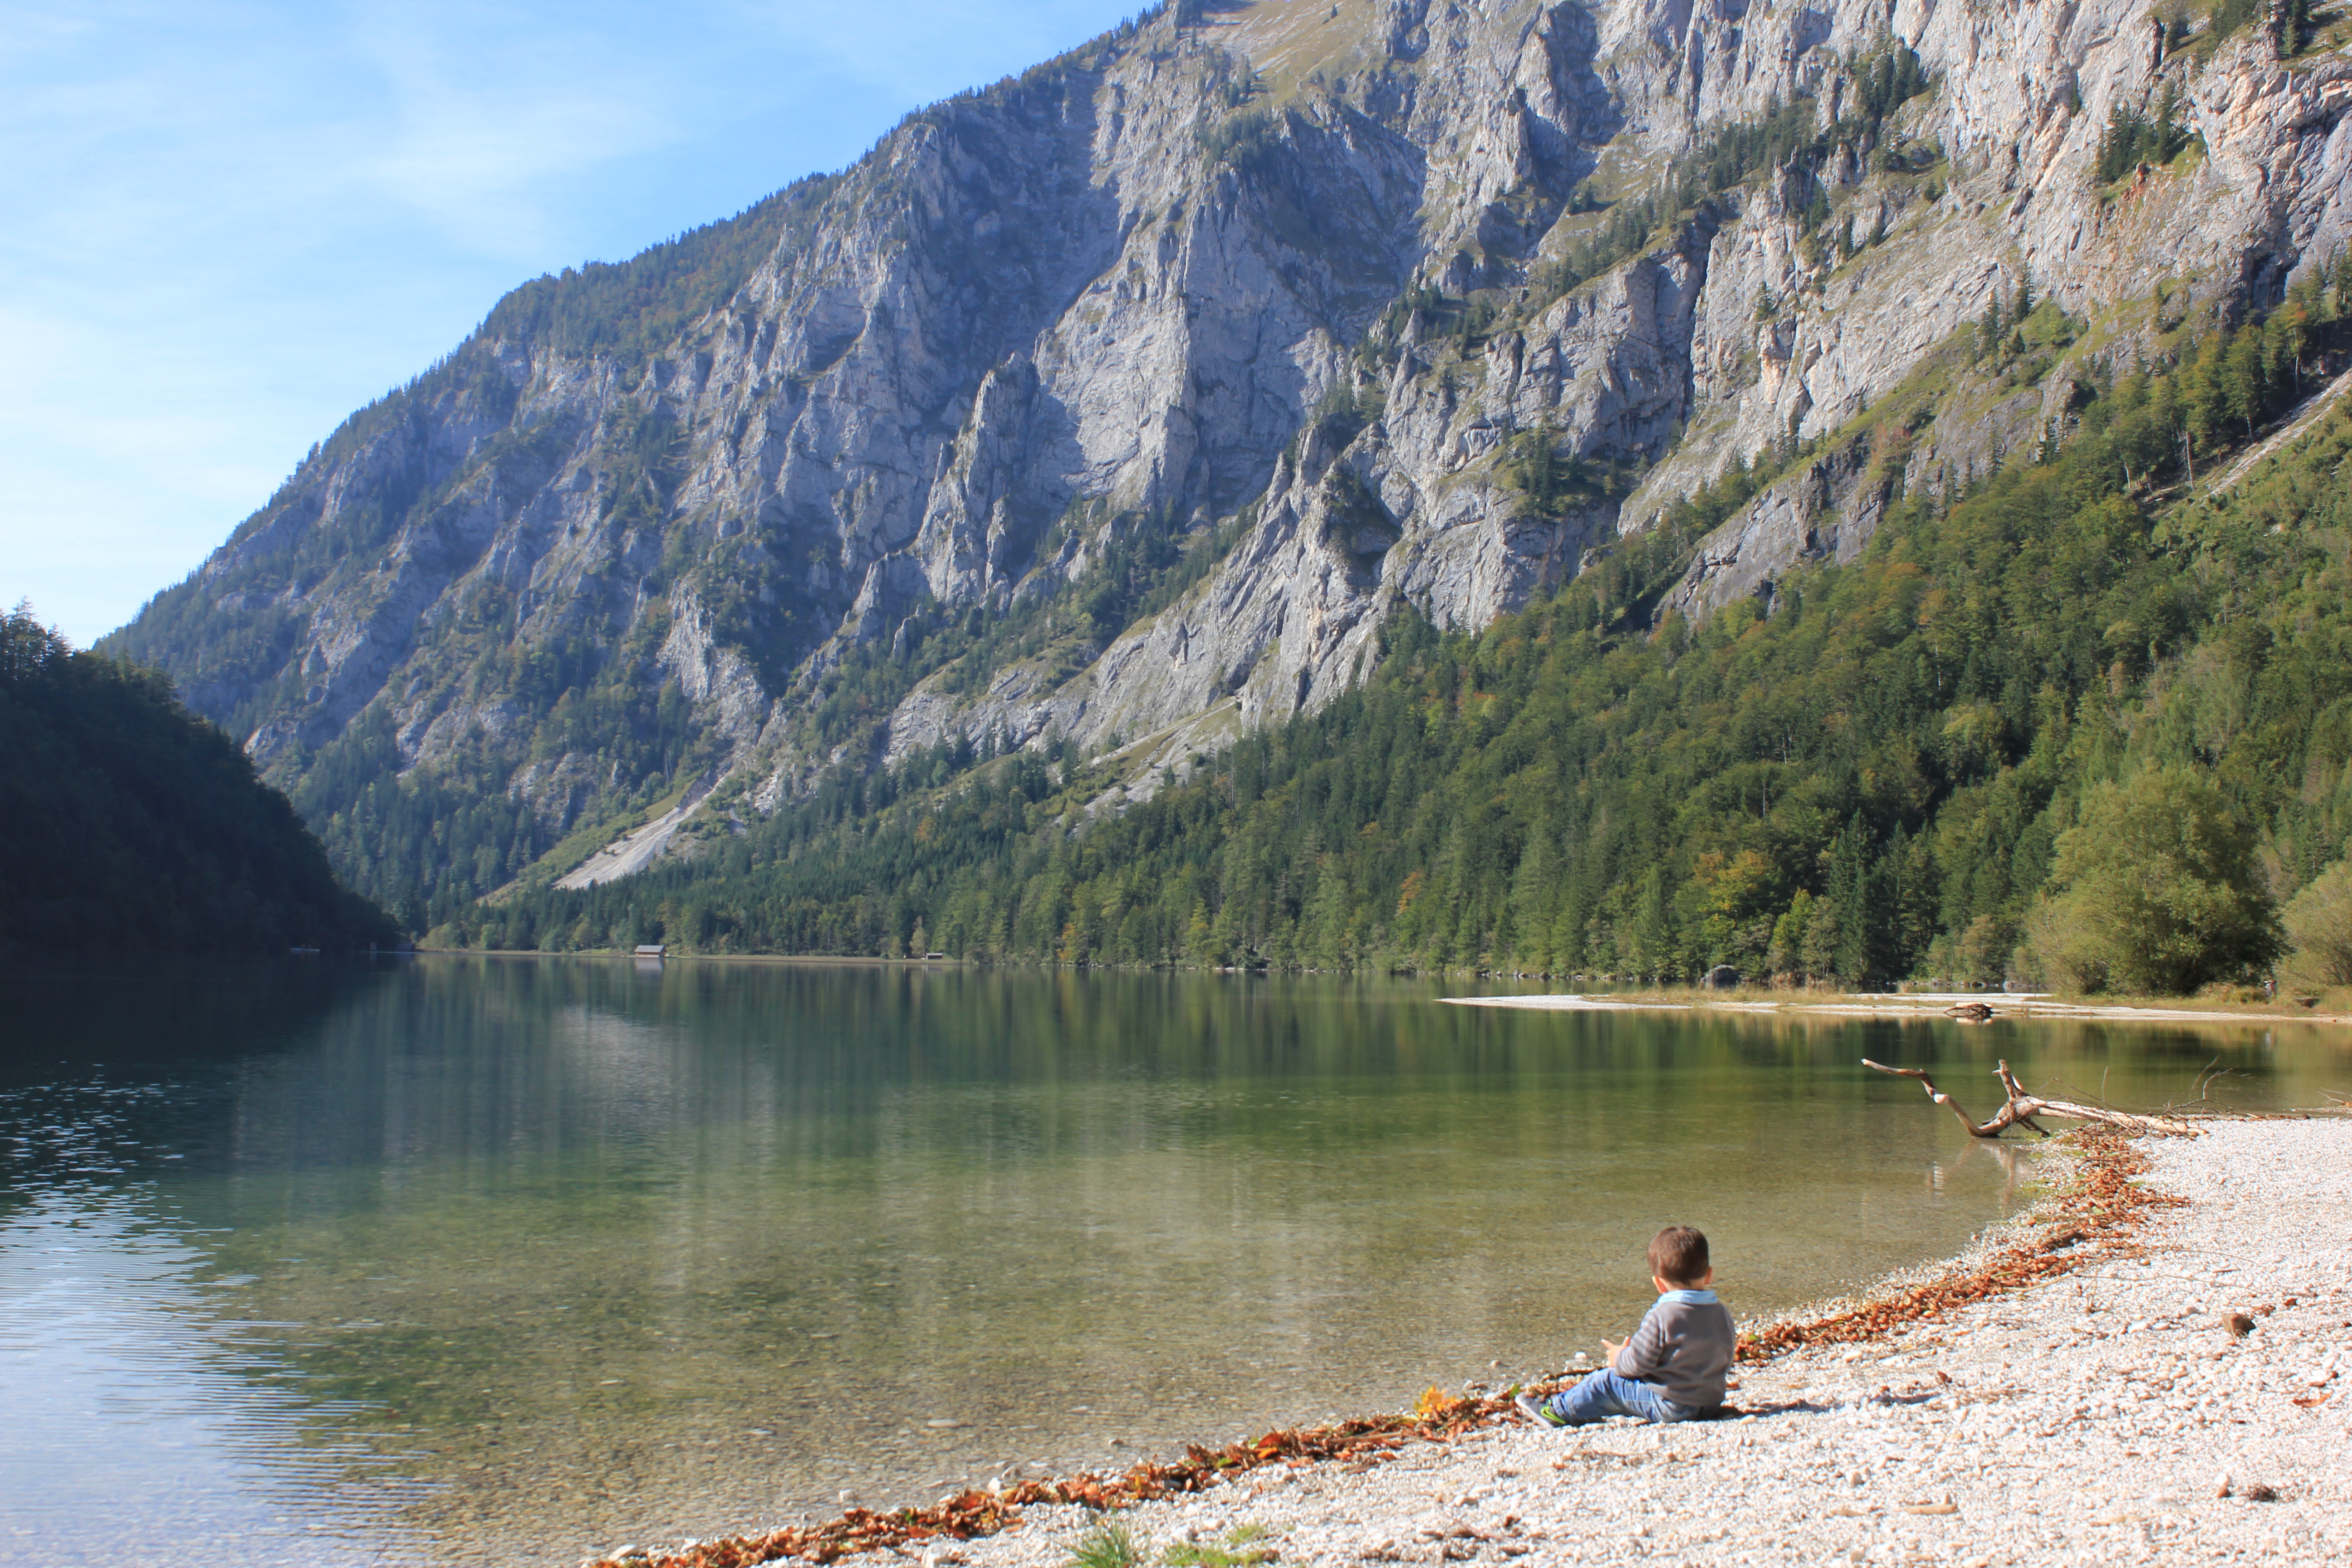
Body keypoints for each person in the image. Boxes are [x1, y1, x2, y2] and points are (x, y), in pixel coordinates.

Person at [1516, 1225, 1734, 1426]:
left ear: (1658, 1283)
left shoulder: (1662, 1316)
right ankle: (1586, 1409)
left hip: (1672, 1407)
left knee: (1606, 1382)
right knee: (1626, 1386)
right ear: (1709, 1275)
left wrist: (1619, 1356)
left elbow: (1636, 1366)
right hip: (1709, 1403)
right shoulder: (1721, 1312)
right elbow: (1725, 1357)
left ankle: (1558, 1412)